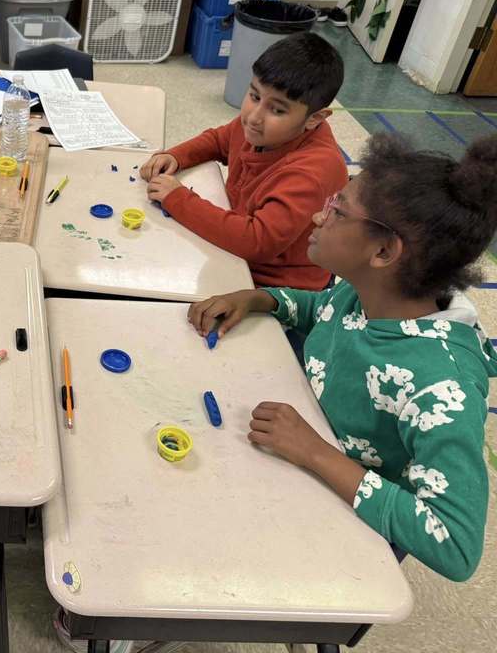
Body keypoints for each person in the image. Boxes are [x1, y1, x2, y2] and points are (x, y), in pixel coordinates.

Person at [188, 132, 497, 582]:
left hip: (345, 521)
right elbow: (325, 313)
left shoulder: (441, 390)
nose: (318, 214)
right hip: (306, 454)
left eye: (337, 211)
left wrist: (315, 453)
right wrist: (264, 300)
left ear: (384, 252)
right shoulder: (366, 293)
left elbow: (453, 544)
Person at [141, 32, 347, 290]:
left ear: (315, 118)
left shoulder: (313, 172)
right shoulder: (260, 128)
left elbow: (255, 241)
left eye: (278, 110)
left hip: (277, 287)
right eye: (255, 96)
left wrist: (178, 198)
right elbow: (219, 140)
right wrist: (175, 155)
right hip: (237, 255)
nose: (254, 117)